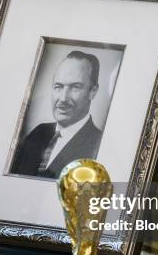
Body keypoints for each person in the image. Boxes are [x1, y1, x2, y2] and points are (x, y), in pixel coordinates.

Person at [10, 50, 103, 179]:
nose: (63, 98)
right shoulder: (38, 133)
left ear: (92, 91)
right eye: (58, 86)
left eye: (75, 87)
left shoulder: (99, 144)